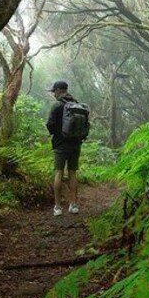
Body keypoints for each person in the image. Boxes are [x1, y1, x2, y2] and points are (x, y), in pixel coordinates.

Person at [46, 80, 83, 216]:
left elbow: (49, 124)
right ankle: (73, 205)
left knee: (59, 173)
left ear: (58, 90)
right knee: (73, 173)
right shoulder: (77, 104)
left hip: (60, 145)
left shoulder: (56, 105)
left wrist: (55, 133)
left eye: (53, 91)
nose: (53, 94)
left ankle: (57, 207)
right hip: (75, 144)